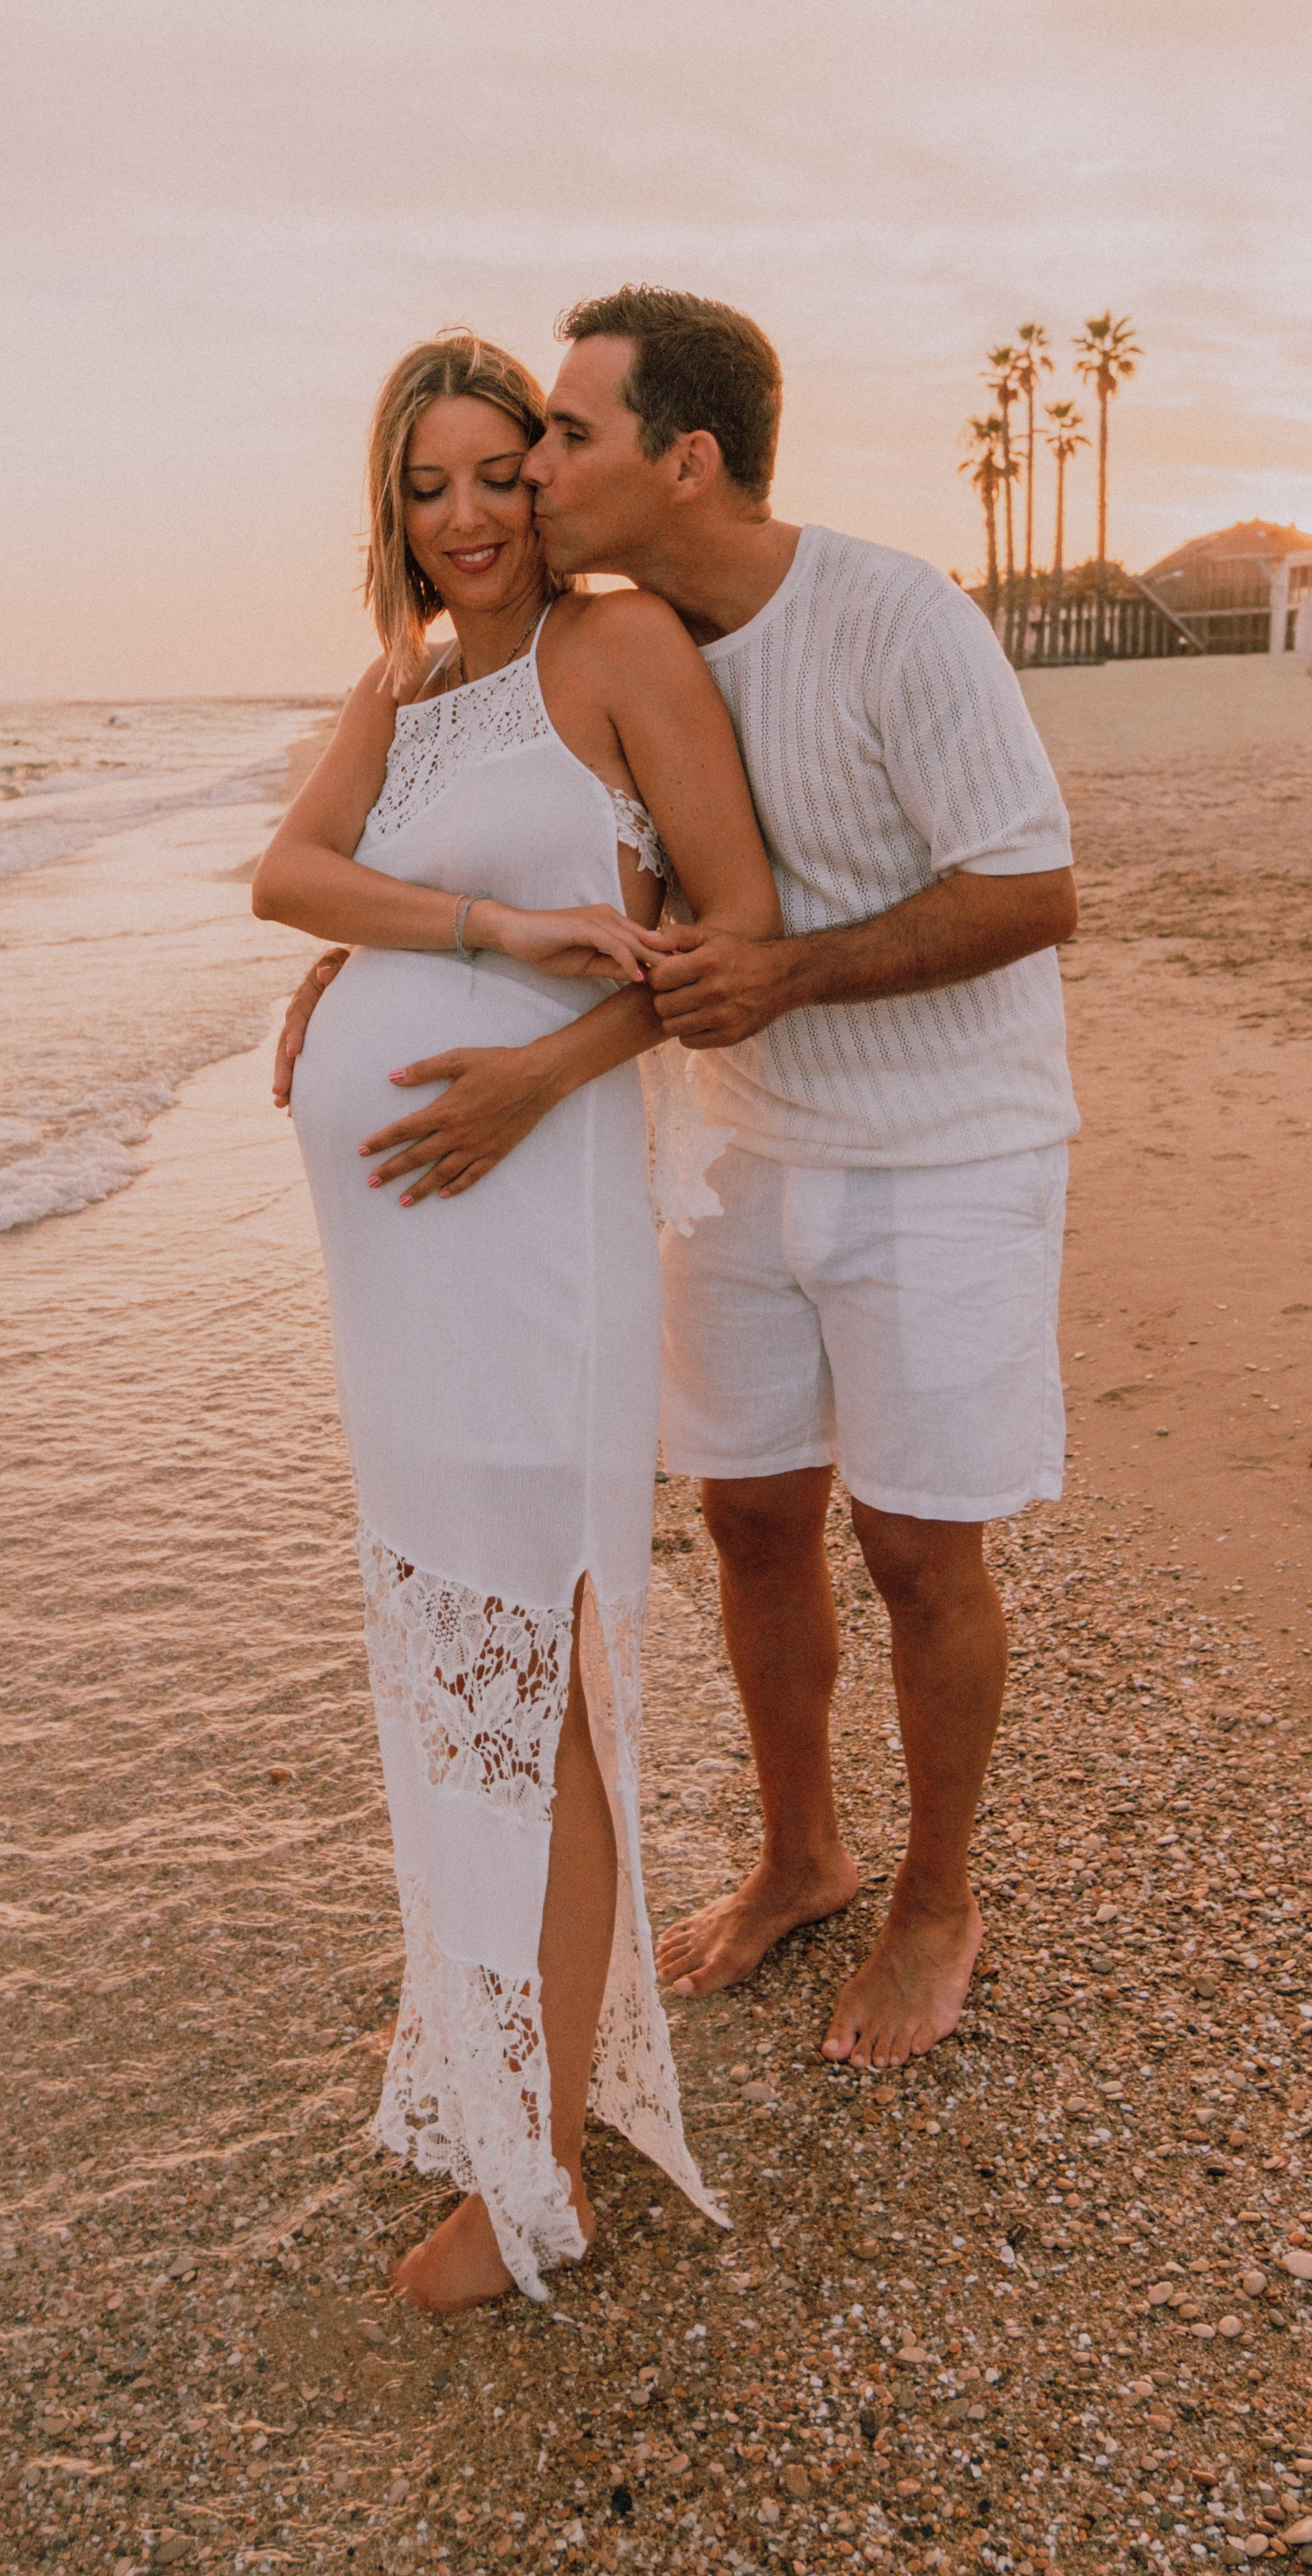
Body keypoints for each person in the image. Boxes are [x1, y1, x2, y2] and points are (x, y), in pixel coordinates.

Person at [276, 287, 1080, 2074]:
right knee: (747, 1516)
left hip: (940, 1145)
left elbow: (1033, 893)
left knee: (915, 1546)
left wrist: (774, 974)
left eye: (563, 438)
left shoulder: (890, 617)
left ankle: (934, 1901)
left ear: (683, 460)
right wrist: (377, 960)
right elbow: (571, 848)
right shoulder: (613, 635)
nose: (532, 475)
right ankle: (801, 1851)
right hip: (738, 1142)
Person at [251, 330, 780, 2311]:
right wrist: (462, 934)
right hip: (402, 1277)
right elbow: (288, 874)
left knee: (530, 1671)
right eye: (427, 486)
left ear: (547, 484)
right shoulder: (407, 685)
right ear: (390, 511)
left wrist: (531, 1073)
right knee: (442, 1654)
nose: (468, 515)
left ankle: (539, 2163)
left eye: (498, 471)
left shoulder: (615, 646)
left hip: (530, 1234)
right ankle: (483, 2044)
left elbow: (726, 931)